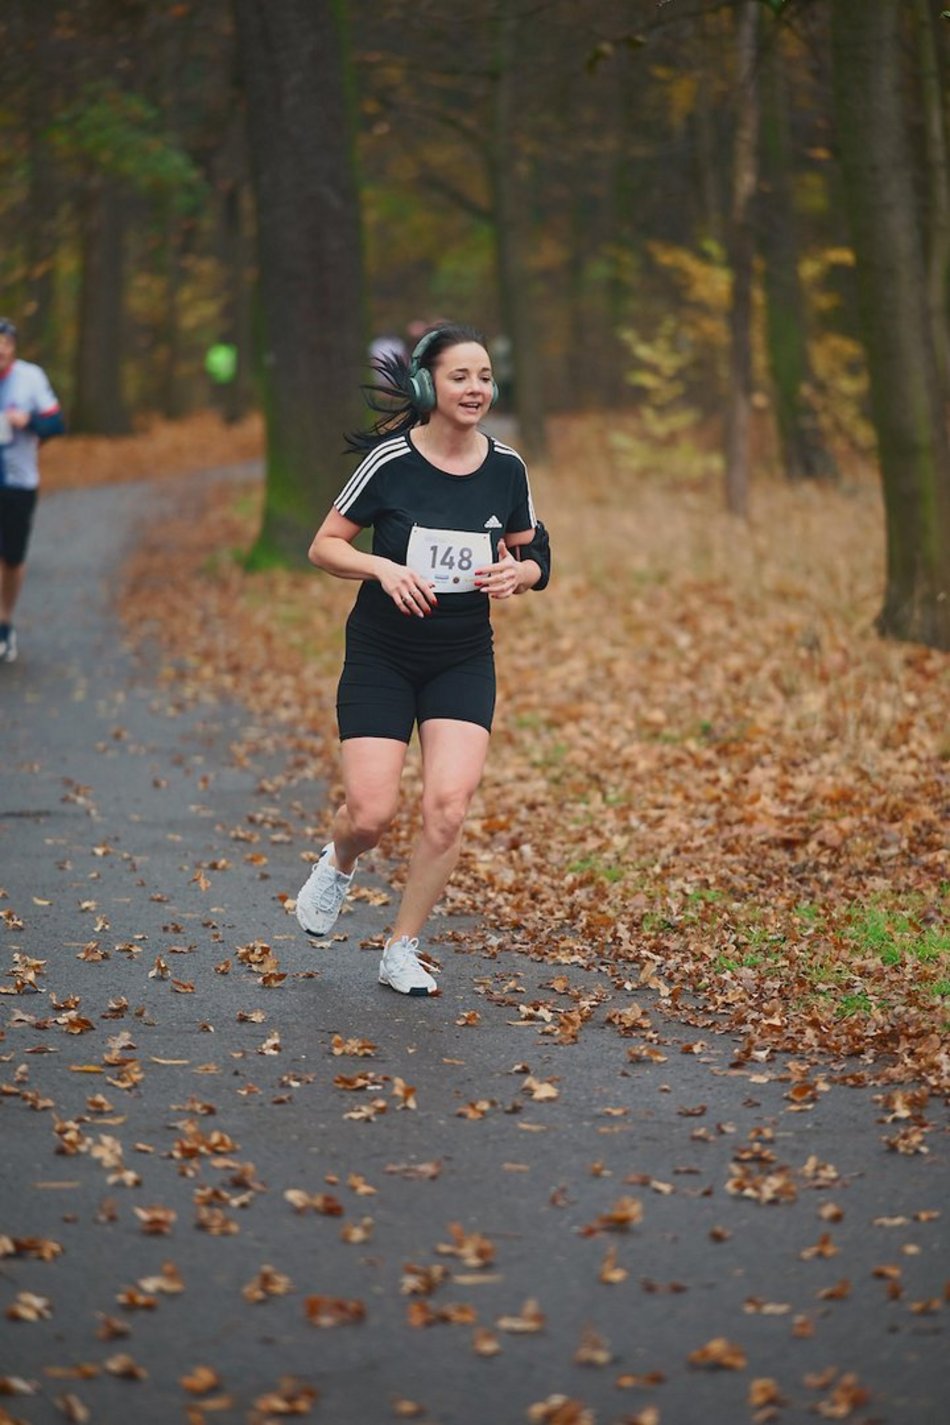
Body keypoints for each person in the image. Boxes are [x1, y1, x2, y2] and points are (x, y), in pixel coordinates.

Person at [294, 323, 550, 996]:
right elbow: (324, 546)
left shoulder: (506, 468)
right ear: (426, 385)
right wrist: (380, 566)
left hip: (462, 655)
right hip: (383, 652)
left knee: (447, 807)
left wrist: (517, 576)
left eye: (486, 377)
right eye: (461, 376)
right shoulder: (390, 462)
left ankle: (401, 946)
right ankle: (341, 856)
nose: (476, 388)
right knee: (371, 813)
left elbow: (536, 552)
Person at [0, 318, 65, 663]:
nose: (0, 351)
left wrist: (31, 423)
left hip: (19, 481)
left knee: (11, 558)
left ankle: (5, 623)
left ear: (13, 348)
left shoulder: (30, 378)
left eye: (5, 344)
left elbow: (57, 423)